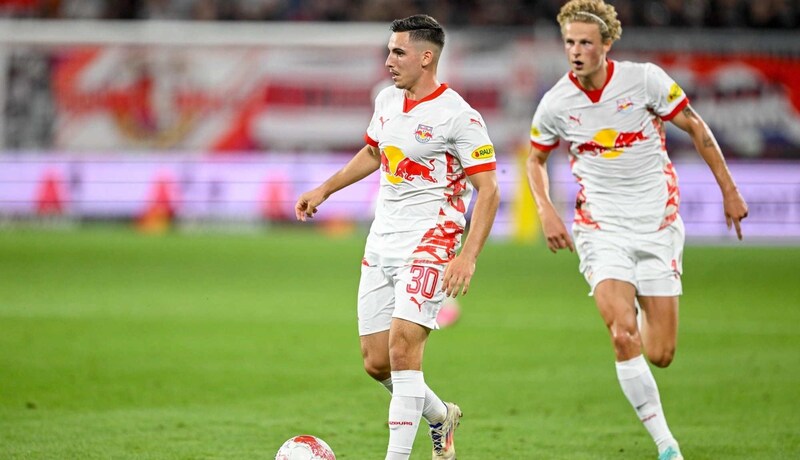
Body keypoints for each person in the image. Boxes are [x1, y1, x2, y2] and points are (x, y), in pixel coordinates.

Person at [525, 1, 748, 459]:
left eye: (586, 42)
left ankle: (641, 302)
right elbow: (535, 159)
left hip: (657, 226)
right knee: (621, 332)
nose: (576, 51)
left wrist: (729, 189)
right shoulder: (555, 103)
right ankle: (667, 446)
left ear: (607, 44)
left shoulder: (644, 79)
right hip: (600, 228)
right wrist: (546, 209)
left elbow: (695, 127)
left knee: (661, 353)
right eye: (570, 42)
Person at [295, 14, 499, 460]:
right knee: (376, 362)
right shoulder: (388, 100)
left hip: (432, 242)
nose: (388, 60)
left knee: (404, 348)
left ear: (426, 57)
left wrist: (468, 256)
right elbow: (374, 151)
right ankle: (442, 415)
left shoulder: (460, 116)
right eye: (389, 51)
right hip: (382, 240)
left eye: (398, 52)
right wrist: (324, 189)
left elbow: (489, 189)